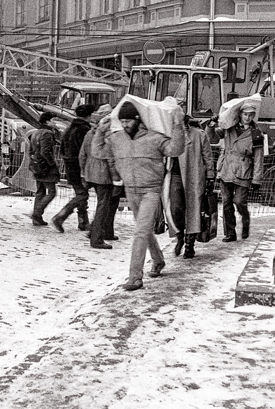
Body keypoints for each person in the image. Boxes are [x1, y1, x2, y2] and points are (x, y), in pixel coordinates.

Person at [92, 101, 185, 291]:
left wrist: (177, 124)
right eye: (122, 121)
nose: (125, 125)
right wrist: (100, 132)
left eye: (128, 121)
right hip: (131, 190)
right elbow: (98, 152)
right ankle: (158, 260)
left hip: (151, 190)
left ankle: (135, 277)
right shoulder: (117, 139)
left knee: (141, 231)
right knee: (144, 230)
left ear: (137, 120)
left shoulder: (154, 138)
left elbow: (175, 149)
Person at [208, 100, 264, 242]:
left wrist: (257, 179)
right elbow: (212, 138)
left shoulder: (256, 134)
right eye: (245, 114)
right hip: (226, 169)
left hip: (243, 171)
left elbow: (258, 158)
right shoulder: (229, 127)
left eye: (251, 115)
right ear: (240, 114)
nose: (247, 117)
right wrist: (211, 126)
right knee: (226, 203)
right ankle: (230, 233)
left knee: (239, 202)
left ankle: (245, 220)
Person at [169, 115, 215, 258]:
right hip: (175, 175)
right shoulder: (168, 134)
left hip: (193, 175)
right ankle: (180, 236)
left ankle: (190, 244)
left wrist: (210, 176)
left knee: (193, 209)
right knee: (175, 208)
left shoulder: (199, 135)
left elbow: (208, 157)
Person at [79, 104, 120, 249]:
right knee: (104, 206)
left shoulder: (90, 133)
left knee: (106, 204)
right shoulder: (108, 134)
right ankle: (96, 237)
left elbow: (82, 155)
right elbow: (110, 159)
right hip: (104, 175)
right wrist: (116, 178)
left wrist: (84, 173)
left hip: (91, 173)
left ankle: (107, 231)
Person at [51, 104, 95, 233]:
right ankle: (60, 216)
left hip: (70, 166)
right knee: (82, 194)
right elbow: (86, 151)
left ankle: (83, 222)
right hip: (81, 167)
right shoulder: (85, 129)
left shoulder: (69, 128)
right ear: (88, 116)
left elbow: (62, 147)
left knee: (81, 193)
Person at [28, 111, 60, 226]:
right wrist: (52, 163)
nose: (55, 122)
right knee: (51, 192)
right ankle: (36, 213)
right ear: (47, 121)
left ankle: (37, 218)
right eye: (53, 120)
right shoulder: (47, 133)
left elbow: (31, 150)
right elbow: (45, 151)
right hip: (45, 167)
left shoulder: (36, 132)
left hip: (37, 166)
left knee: (40, 192)